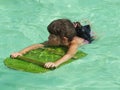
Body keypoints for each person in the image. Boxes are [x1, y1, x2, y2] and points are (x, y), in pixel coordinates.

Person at [10, 19, 95, 69]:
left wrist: (55, 63)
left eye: (52, 36)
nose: (48, 38)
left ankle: (88, 26)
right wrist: (20, 53)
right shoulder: (59, 39)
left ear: (63, 39)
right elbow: (39, 45)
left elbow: (69, 55)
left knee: (92, 36)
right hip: (68, 36)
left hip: (86, 38)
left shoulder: (74, 44)